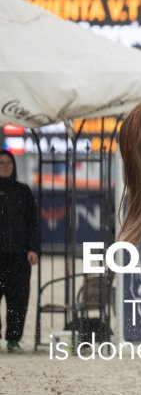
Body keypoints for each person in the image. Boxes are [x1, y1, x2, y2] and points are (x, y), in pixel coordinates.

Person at [0, 149, 39, 353]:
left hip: (19, 256)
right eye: (1, 162)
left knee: (18, 300)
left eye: (9, 162)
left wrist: (33, 249)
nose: (5, 166)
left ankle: (14, 340)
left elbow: (33, 223)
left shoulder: (23, 191)